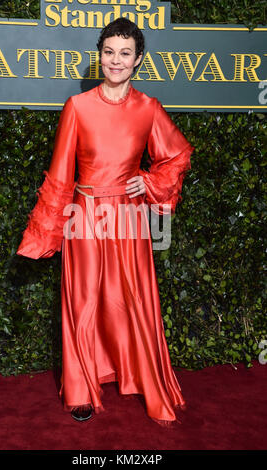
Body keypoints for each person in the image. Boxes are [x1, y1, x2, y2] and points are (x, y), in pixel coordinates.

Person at [17, 18, 194, 427]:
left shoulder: (148, 108)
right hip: (84, 218)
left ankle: (142, 377)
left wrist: (147, 180)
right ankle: (80, 390)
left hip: (128, 220)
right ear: (100, 56)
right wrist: (46, 231)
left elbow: (176, 155)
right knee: (82, 303)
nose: (116, 60)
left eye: (125, 53)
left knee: (131, 301)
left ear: (137, 60)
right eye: (109, 51)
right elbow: (61, 174)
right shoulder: (77, 107)